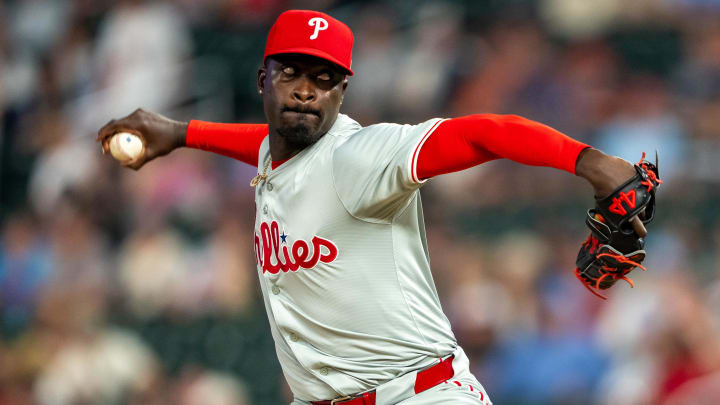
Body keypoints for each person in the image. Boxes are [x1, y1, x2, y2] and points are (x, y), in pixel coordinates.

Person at [97, 9, 648, 405]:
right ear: (263, 76)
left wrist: (590, 162)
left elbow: (483, 133)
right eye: (292, 73)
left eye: (325, 79)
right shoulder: (279, 150)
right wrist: (182, 131)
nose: (307, 91)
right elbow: (264, 142)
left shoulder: (359, 156)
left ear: (342, 93)